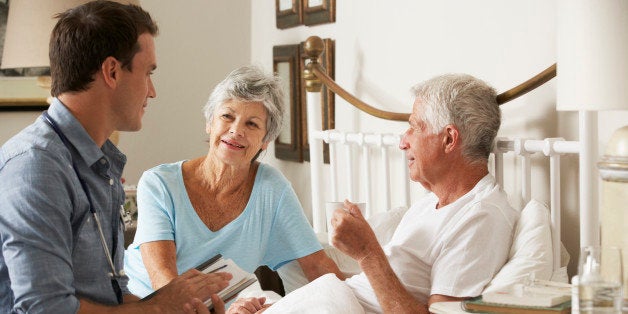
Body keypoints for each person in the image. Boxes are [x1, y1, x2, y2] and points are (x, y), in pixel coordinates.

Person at [0, 2, 231, 313]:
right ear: (111, 71)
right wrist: (160, 308)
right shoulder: (36, 168)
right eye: (148, 72)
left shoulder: (99, 165)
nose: (152, 91)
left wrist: (180, 303)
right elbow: (47, 309)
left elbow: (110, 296)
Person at [230, 73, 520, 314]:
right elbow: (370, 293)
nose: (402, 142)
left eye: (413, 127)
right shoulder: (429, 205)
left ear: (448, 139)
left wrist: (368, 252)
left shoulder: (481, 218)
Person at [123, 65, 343, 299]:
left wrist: (360, 301)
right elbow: (164, 283)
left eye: (252, 124)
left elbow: (318, 266)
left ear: (265, 140)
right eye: (227, 116)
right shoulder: (159, 184)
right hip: (148, 305)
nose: (236, 130)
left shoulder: (272, 190)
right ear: (209, 123)